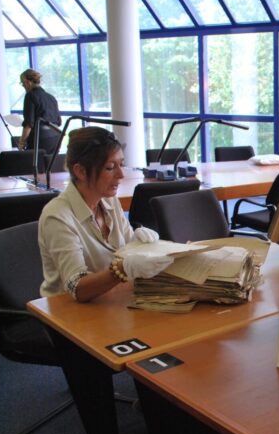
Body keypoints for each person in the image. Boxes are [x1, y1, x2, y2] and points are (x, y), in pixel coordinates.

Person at [39, 127, 172, 302]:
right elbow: (77, 287)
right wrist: (123, 269)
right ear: (80, 171)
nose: (121, 174)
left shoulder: (109, 201)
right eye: (110, 167)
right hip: (69, 315)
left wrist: (140, 245)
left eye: (121, 164)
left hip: (111, 301)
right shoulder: (57, 216)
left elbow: (127, 251)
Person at [19, 68, 61, 155]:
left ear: (28, 82)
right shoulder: (51, 97)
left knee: (33, 165)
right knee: (50, 166)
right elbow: (59, 121)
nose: (23, 87)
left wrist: (21, 142)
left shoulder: (30, 96)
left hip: (40, 138)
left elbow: (29, 123)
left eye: (23, 84)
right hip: (55, 137)